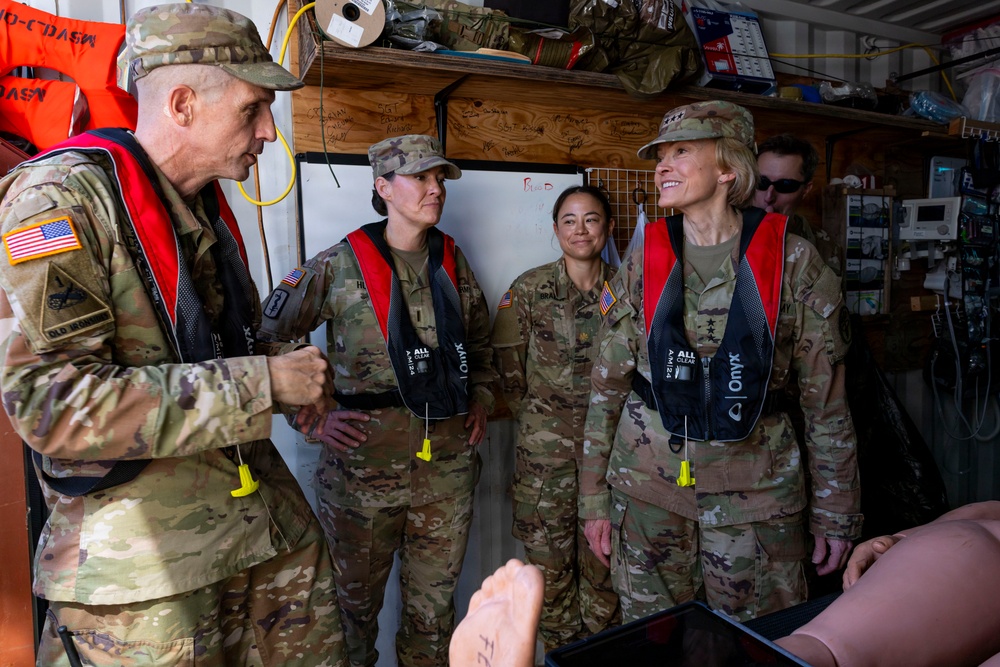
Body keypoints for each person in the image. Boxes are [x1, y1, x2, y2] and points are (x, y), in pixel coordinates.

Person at [0, 4, 346, 666]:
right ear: (183, 104)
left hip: (258, 537)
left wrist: (285, 377)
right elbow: (51, 403)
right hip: (147, 587)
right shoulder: (59, 201)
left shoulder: (200, 205)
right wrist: (262, 383)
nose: (270, 131)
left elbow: (208, 346)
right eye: (253, 108)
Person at [579, 101, 862, 624]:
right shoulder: (647, 258)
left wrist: (837, 510)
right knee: (654, 645)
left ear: (729, 167)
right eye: (660, 155)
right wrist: (593, 498)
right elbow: (607, 386)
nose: (663, 166)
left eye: (682, 152)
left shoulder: (792, 260)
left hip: (754, 497)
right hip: (648, 491)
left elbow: (826, 403)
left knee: (759, 644)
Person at [257, 134, 497, 667]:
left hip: (447, 472)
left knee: (432, 617)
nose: (435, 189)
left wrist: (480, 395)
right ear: (383, 187)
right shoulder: (341, 265)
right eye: (421, 178)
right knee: (350, 618)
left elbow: (481, 345)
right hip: (363, 474)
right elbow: (269, 338)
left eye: (439, 179)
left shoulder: (452, 262)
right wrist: (311, 417)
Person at [491, 185, 621, 652]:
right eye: (569, 220)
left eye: (590, 219)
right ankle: (563, 657)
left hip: (610, 461)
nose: (580, 229)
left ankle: (603, 654)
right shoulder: (529, 289)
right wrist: (543, 420)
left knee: (606, 572)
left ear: (607, 228)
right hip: (545, 464)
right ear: (555, 229)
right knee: (550, 576)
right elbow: (508, 370)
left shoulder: (628, 290)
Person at [776, 501, 1000, 667]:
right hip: (951, 552)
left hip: (956, 556)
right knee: (828, 649)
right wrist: (901, 538)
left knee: (828, 649)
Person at [753, 133, 843, 275]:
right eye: (761, 182)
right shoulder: (724, 235)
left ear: (806, 190)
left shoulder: (824, 247)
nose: (769, 196)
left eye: (785, 185)